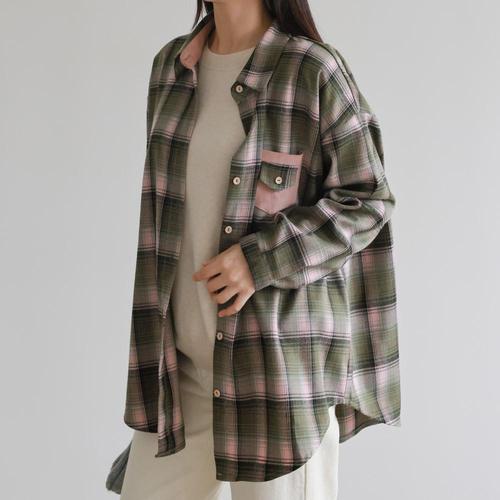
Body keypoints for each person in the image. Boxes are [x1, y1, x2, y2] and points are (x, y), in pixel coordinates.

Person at [106, 1, 402, 499]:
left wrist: (260, 259)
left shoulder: (312, 70)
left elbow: (369, 201)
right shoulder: (171, 69)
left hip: (277, 381)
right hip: (181, 375)